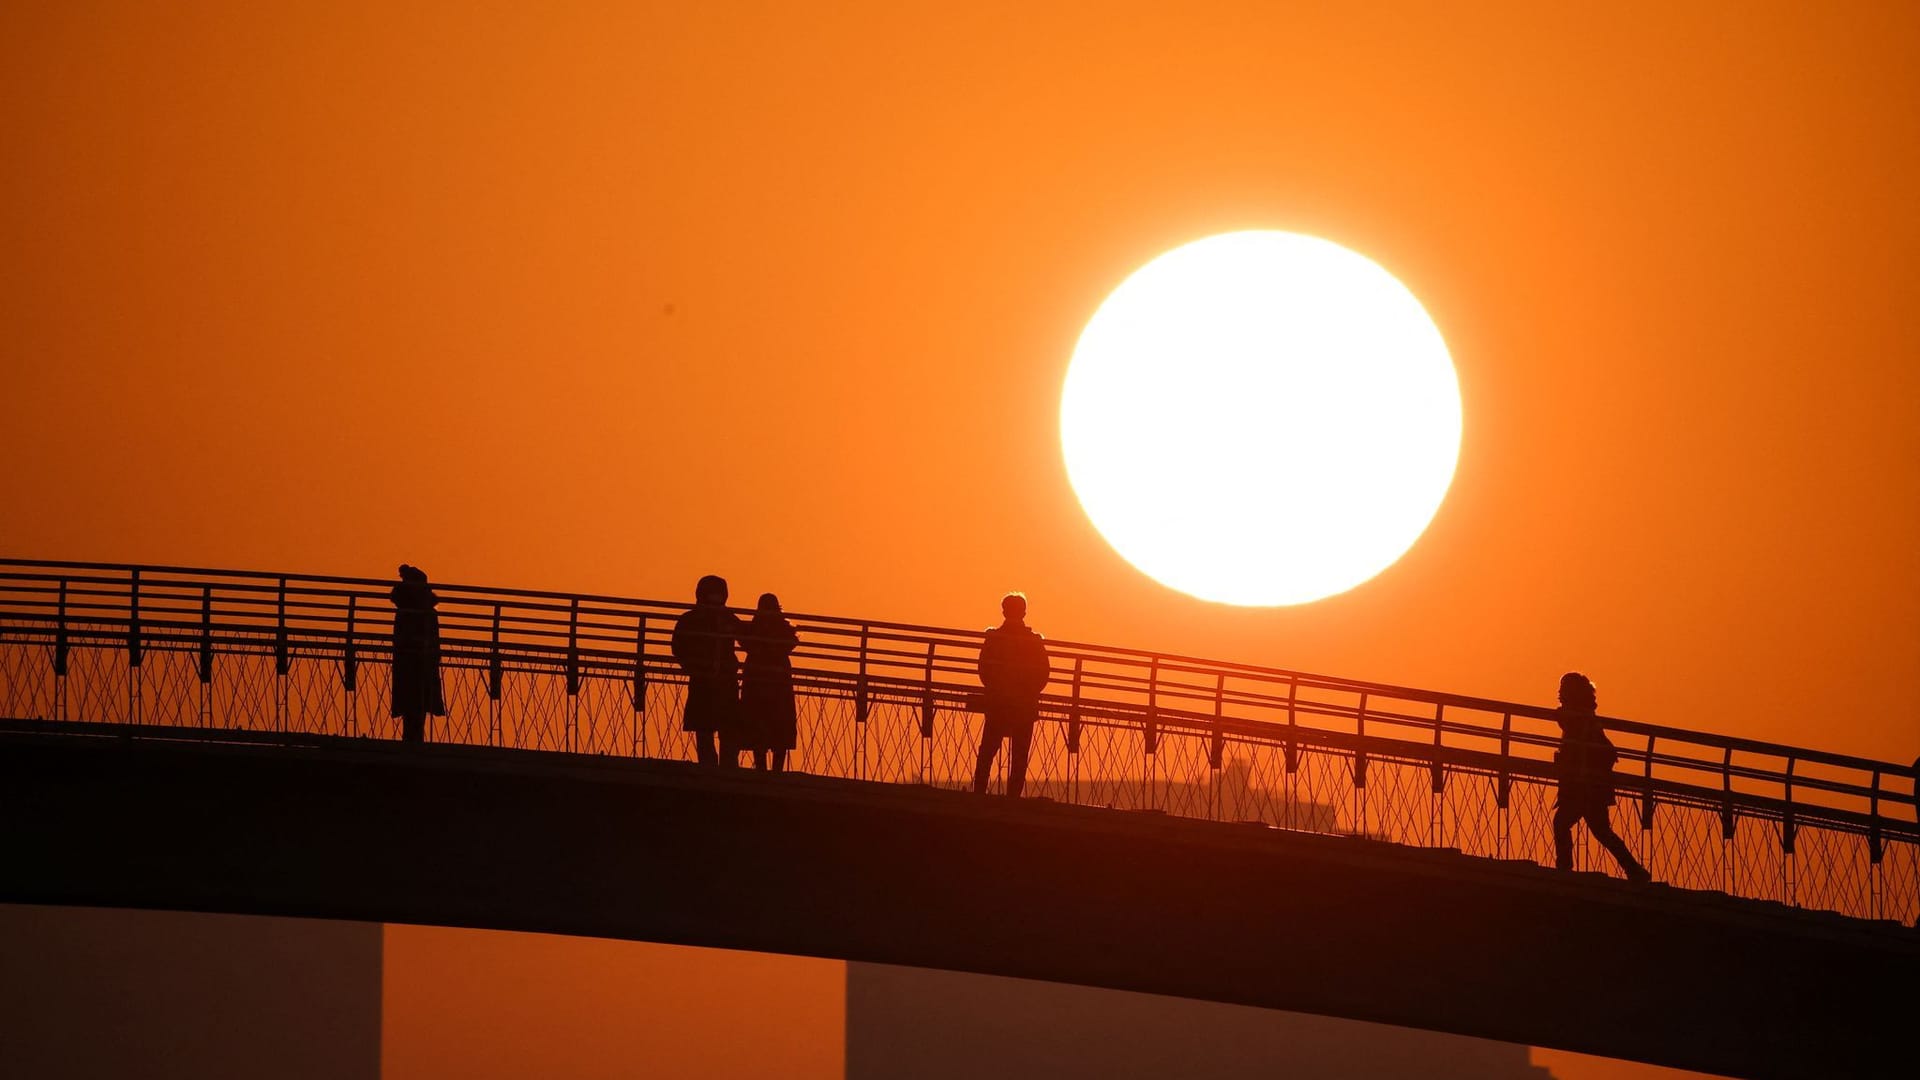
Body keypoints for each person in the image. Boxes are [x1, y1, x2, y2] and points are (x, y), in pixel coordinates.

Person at [1552, 672, 1650, 883]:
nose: (1560, 694)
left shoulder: (1578, 717)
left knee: (1563, 823)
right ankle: (1635, 870)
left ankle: (1564, 870)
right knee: (1601, 831)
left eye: (1564, 690)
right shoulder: (1586, 716)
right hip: (1590, 783)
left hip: (1583, 782)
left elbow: (1571, 728)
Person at [972, 592, 1051, 798]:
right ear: (1024, 612)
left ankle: (978, 793)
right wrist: (1029, 691)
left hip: (997, 701)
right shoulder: (1034, 642)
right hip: (1024, 704)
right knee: (1019, 754)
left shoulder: (994, 639)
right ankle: (1013, 797)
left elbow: (983, 669)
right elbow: (1044, 673)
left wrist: (996, 688)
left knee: (988, 749)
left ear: (1004, 611)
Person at [672, 574, 744, 766]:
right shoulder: (699, 618)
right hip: (709, 678)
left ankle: (719, 768)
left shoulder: (695, 618)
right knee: (710, 727)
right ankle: (720, 769)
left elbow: (746, 638)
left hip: (716, 679)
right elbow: (679, 647)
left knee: (718, 727)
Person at [740, 593, 799, 772]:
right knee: (779, 724)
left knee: (758, 721)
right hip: (779, 681)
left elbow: (743, 641)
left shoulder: (753, 628)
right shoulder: (784, 628)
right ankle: (777, 771)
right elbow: (792, 641)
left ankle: (761, 768)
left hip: (755, 680)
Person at [389, 564, 445, 743]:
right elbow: (434, 639)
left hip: (405, 660)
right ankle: (414, 742)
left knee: (409, 702)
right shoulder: (428, 611)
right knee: (420, 701)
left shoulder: (403, 610)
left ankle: (410, 742)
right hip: (424, 661)